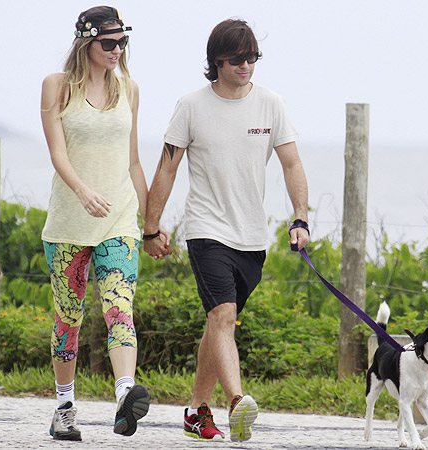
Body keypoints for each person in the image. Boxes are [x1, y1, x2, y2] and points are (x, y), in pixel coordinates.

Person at [142, 18, 310, 442]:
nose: (247, 65)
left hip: (252, 238)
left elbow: (291, 164)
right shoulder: (192, 106)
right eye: (238, 58)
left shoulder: (271, 104)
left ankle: (197, 412)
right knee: (223, 316)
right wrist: (151, 226)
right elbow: (167, 166)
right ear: (217, 60)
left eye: (253, 57)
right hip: (206, 230)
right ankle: (237, 401)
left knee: (219, 327)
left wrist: (300, 217)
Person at [40, 5, 166, 441]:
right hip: (69, 223)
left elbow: (133, 161)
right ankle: (64, 406)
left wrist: (150, 224)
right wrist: (82, 190)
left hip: (119, 221)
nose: (117, 50)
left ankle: (125, 393)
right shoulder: (56, 87)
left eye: (122, 42)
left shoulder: (129, 89)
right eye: (108, 43)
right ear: (86, 43)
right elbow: (58, 152)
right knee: (68, 320)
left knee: (119, 308)